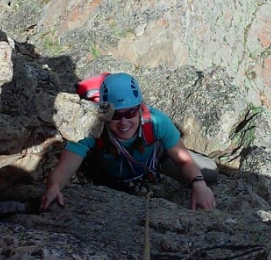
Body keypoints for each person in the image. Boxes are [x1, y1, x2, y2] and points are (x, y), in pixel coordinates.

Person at [41, 73, 218, 211]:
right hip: (107, 177)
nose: (124, 122)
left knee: (211, 172)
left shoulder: (156, 122)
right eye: (116, 115)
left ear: (140, 109)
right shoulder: (92, 127)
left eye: (130, 113)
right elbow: (65, 166)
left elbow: (183, 160)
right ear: (104, 113)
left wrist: (199, 184)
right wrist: (54, 186)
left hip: (153, 163)